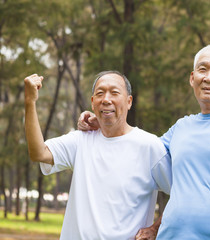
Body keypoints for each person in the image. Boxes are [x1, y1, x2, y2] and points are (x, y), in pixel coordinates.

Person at [78, 43, 210, 239]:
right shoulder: (181, 127)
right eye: (202, 70)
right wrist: (107, 121)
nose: (209, 78)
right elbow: (140, 152)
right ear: (192, 78)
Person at [24, 71, 172, 240]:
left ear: (129, 101)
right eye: (100, 93)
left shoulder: (150, 146)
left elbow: (181, 192)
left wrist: (156, 228)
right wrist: (30, 102)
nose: (106, 99)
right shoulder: (81, 141)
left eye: (115, 93)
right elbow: (39, 153)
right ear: (93, 103)